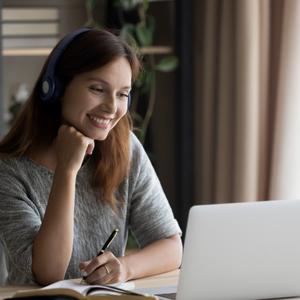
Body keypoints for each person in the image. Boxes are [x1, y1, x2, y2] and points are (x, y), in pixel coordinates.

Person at [0, 27, 182, 286]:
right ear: (56, 88)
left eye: (122, 94)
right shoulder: (10, 169)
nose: (111, 107)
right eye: (98, 89)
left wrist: (124, 268)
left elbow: (171, 246)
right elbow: (49, 273)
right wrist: (67, 169)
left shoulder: (126, 148)